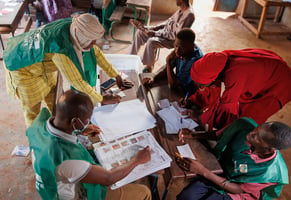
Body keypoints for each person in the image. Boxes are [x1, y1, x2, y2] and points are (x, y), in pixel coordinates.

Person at [3, 13, 133, 127]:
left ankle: (55, 127)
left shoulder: (75, 27)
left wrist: (116, 75)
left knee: (54, 96)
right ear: (82, 37)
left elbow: (96, 53)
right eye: (91, 41)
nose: (94, 44)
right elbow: (78, 82)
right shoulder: (62, 51)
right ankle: (35, 140)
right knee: (33, 110)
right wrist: (101, 99)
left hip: (42, 64)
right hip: (22, 66)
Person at [26, 89, 152, 200]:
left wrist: (80, 130)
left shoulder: (39, 124)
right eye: (86, 120)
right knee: (144, 192)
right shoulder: (68, 158)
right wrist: (137, 160)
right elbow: (109, 178)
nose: (88, 123)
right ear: (74, 121)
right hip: (71, 194)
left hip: (49, 186)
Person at [176, 117, 291, 200]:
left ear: (269, 149)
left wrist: (203, 171)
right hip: (223, 172)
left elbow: (238, 190)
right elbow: (219, 134)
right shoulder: (244, 125)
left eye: (258, 137)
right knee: (187, 196)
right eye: (257, 128)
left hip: (238, 192)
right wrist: (192, 135)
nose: (251, 133)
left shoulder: (271, 173)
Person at [184, 48, 291, 130]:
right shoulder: (218, 62)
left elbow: (227, 110)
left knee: (249, 118)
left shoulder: (235, 75)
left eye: (200, 85)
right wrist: (193, 101)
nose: (199, 88)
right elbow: (212, 89)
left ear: (213, 78)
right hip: (266, 71)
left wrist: (200, 117)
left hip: (281, 84)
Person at [129, 0, 195, 73]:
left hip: (173, 41)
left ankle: (149, 67)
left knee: (151, 42)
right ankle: (130, 57)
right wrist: (154, 28)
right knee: (140, 33)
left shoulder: (189, 15)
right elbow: (169, 21)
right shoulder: (181, 9)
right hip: (164, 33)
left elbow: (176, 36)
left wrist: (155, 33)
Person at [143, 28, 203, 95]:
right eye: (176, 46)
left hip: (187, 95)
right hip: (178, 86)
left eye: (181, 48)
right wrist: (153, 78)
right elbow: (168, 67)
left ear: (192, 46)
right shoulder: (183, 50)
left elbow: (173, 86)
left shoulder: (195, 61)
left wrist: (168, 61)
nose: (177, 50)